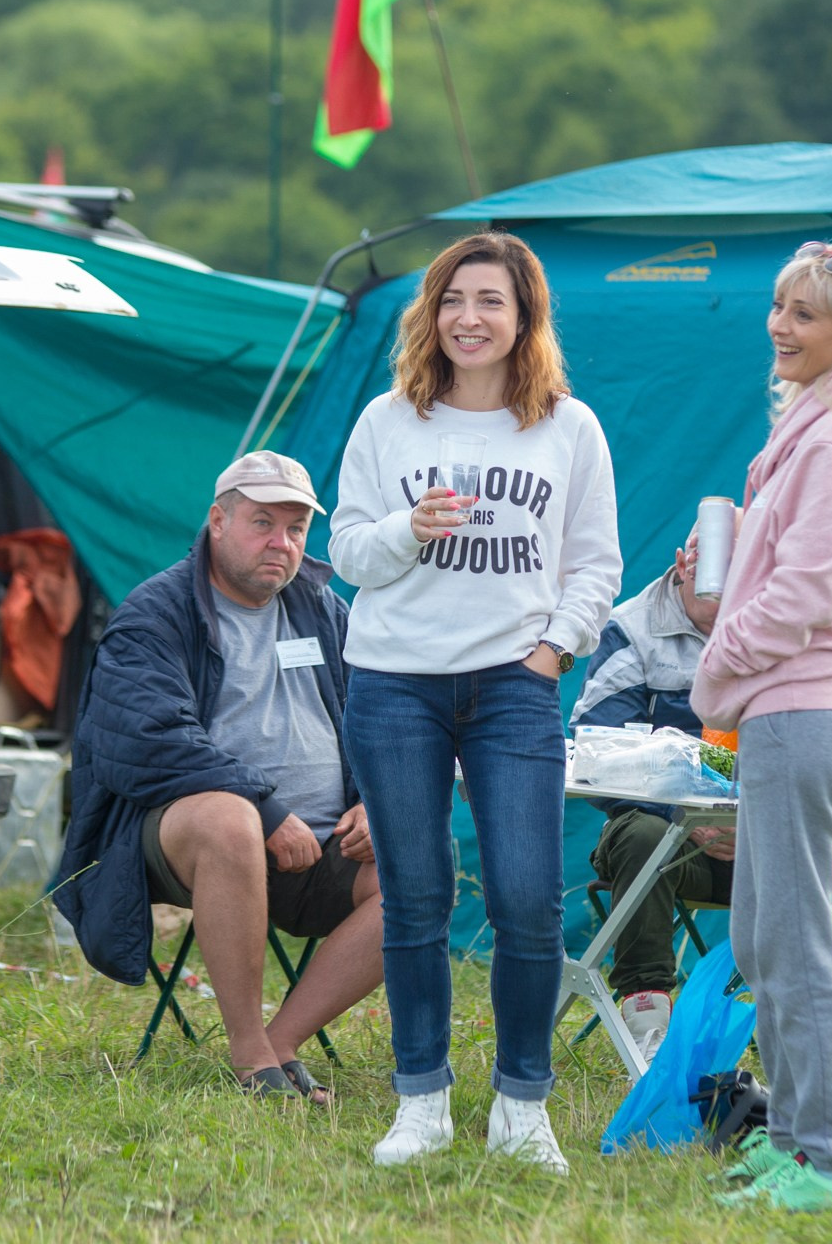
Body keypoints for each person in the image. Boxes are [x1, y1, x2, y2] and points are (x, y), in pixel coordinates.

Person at [330, 230, 622, 1173]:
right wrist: (408, 530)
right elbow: (347, 557)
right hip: (394, 682)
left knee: (529, 898)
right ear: (431, 313)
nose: (470, 318)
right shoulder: (388, 421)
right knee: (415, 898)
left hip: (513, 687)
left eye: (491, 301)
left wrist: (550, 655)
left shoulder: (568, 428)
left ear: (524, 317)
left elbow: (594, 565)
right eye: (454, 300)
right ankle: (422, 1102)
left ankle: (522, 1106)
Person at [690, 241, 832, 1214]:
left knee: (795, 941)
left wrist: (718, 662)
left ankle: (829, 1163)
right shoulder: (830, 429)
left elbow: (806, 594)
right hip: (806, 704)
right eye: (777, 307)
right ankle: (792, 1138)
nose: (780, 326)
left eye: (804, 316)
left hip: (808, 701)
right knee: (766, 934)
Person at [54, 452, 382, 1104]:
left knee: (418, 861)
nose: (280, 543)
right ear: (217, 520)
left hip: (319, 845)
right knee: (230, 818)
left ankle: (280, 1042)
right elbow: (150, 740)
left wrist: (378, 800)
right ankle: (246, 1052)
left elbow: (377, 716)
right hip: (180, 843)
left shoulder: (323, 608)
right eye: (262, 523)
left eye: (295, 529)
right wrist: (264, 810)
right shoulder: (155, 614)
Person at [572, 534, 832, 1065]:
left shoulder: (792, 628)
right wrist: (685, 818)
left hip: (777, 846)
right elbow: (597, 749)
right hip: (670, 845)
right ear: (681, 563)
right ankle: (648, 1018)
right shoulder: (632, 629)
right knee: (640, 834)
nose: (720, 583)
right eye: (707, 565)